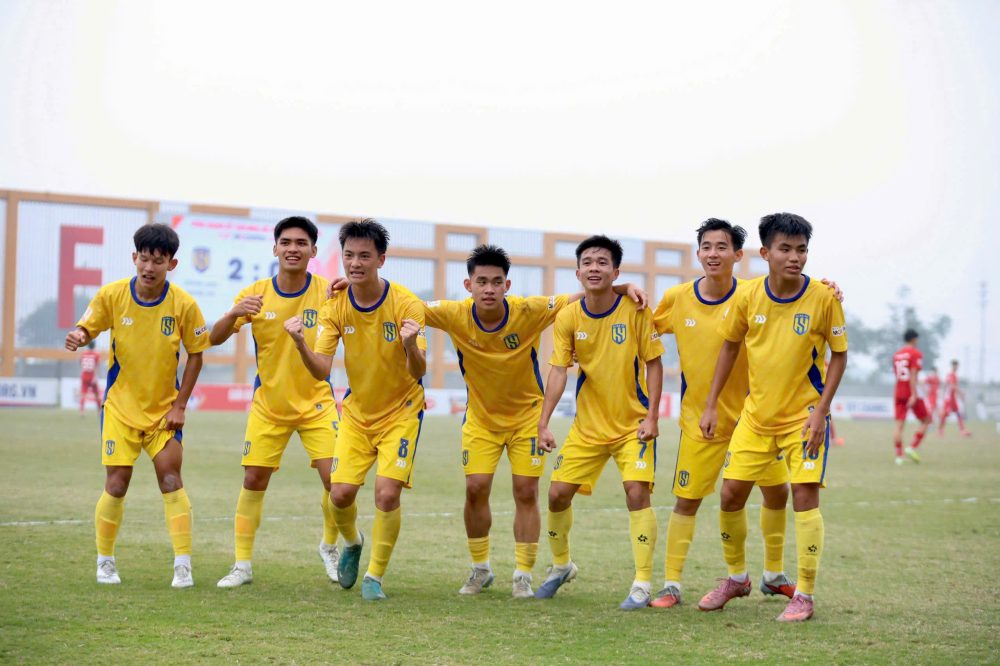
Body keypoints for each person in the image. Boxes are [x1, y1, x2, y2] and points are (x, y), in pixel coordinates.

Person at [421, 245, 645, 598]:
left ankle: (523, 573)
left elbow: (583, 296)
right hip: (480, 421)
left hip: (527, 418)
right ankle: (480, 568)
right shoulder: (453, 314)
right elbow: (402, 306)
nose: (489, 289)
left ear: (507, 285)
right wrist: (354, 287)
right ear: (468, 285)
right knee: (475, 488)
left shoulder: (529, 310)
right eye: (482, 282)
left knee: (526, 491)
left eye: (497, 282)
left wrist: (622, 287)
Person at [700, 212, 847, 622]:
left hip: (804, 418)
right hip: (756, 417)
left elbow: (839, 356)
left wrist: (822, 412)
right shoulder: (748, 295)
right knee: (730, 494)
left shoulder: (824, 297)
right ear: (765, 253)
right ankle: (737, 579)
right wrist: (711, 404)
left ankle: (805, 594)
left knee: (804, 496)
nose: (795, 257)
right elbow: (730, 346)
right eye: (785, 249)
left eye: (802, 250)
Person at [649, 219, 795, 609]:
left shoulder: (753, 293)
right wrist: (621, 289)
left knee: (777, 492)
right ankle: (671, 585)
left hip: (754, 420)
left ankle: (773, 575)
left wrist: (827, 286)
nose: (713, 254)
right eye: (707, 247)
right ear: (698, 253)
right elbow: (641, 324)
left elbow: (792, 294)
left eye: (721, 247)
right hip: (701, 420)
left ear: (737, 255)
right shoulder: (678, 297)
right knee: (687, 501)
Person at [65, 223, 208, 588]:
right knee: (117, 483)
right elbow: (88, 326)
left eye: (158, 261)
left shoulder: (184, 304)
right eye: (144, 258)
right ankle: (105, 561)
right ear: (134, 258)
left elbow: (196, 354)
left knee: (171, 479)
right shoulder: (113, 295)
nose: (149, 267)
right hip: (120, 409)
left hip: (164, 412)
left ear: (172, 264)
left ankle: (183, 565)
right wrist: (79, 335)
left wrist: (180, 406)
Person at [291, 219, 426, 601]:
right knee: (339, 494)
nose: (355, 262)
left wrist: (410, 345)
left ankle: (374, 578)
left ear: (381, 259)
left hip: (402, 411)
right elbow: (322, 369)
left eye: (364, 256)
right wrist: (300, 343)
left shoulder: (406, 304)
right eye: (349, 255)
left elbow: (419, 371)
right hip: (357, 413)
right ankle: (352, 542)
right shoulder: (335, 305)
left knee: (386, 495)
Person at [535, 235, 664, 610]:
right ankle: (562, 566)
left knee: (637, 492)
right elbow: (558, 370)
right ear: (578, 272)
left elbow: (654, 363)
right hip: (587, 428)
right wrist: (543, 423)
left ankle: (642, 583)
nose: (594, 267)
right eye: (587, 262)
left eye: (602, 262)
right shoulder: (568, 316)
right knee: (557, 494)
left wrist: (653, 416)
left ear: (616, 272)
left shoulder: (636, 309)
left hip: (632, 425)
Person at [212, 216, 341, 589]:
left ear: (313, 251)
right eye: (286, 242)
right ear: (275, 249)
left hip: (317, 403)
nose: (292, 249)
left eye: (301, 243)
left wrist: (355, 288)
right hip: (269, 405)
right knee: (253, 479)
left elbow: (363, 307)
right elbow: (214, 339)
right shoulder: (255, 294)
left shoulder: (330, 292)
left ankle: (329, 547)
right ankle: (242, 565)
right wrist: (233, 313)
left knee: (335, 481)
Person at [891, 329, 933, 464]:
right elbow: (913, 375)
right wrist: (914, 394)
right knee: (926, 420)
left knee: (898, 426)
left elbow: (897, 374)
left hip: (898, 391)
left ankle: (899, 457)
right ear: (914, 339)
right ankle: (912, 447)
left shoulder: (896, 355)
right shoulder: (915, 354)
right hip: (910, 392)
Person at [938, 359, 972, 437]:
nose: (956, 367)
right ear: (952, 366)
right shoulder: (952, 375)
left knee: (958, 413)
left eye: (957, 366)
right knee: (946, 414)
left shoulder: (950, 375)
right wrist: (961, 393)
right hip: (949, 398)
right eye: (955, 365)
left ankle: (962, 430)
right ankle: (940, 430)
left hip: (952, 398)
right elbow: (952, 386)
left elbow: (946, 385)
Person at [79, 342, 103, 415]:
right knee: (97, 394)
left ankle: (82, 411)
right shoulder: (96, 354)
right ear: (94, 346)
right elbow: (96, 366)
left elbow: (81, 363)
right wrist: (95, 376)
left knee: (83, 394)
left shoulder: (83, 354)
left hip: (84, 375)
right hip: (92, 375)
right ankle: (99, 411)